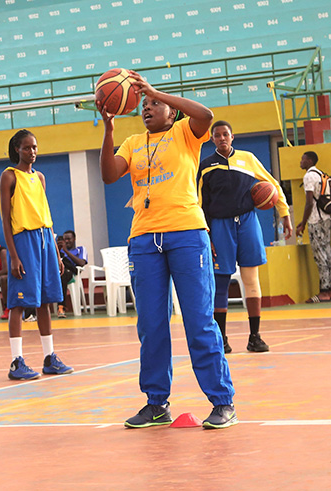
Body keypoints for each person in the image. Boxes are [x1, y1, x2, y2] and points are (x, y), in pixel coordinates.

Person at [99, 72, 236, 429]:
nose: (147, 108)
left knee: (199, 320)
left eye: (153, 104)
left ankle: (223, 402)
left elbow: (204, 114)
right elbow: (109, 174)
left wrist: (158, 91)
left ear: (171, 111)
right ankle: (156, 404)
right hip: (144, 239)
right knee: (152, 325)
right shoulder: (131, 141)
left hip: (187, 233)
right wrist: (109, 129)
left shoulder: (185, 134)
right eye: (143, 105)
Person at [198, 120, 291, 353]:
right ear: (212, 139)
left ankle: (255, 336)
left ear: (232, 137)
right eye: (217, 135)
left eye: (225, 134)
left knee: (251, 280)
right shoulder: (206, 166)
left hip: (248, 222)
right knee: (221, 282)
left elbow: (272, 184)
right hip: (219, 226)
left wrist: (284, 213)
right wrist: (204, 233)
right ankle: (222, 339)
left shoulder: (248, 159)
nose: (222, 138)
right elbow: (199, 203)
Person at [0, 129, 73, 380]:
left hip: (44, 240)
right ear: (17, 149)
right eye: (27, 147)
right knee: (19, 302)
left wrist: (57, 253)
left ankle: (50, 357)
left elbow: (46, 216)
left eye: (35, 147)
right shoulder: (9, 176)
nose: (32, 152)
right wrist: (14, 256)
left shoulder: (40, 177)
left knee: (45, 300)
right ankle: (16, 361)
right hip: (23, 240)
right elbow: (6, 220)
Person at [295, 151, 331, 303]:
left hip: (316, 221)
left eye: (303, 159)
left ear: (310, 161)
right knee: (329, 254)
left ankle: (324, 292)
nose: (301, 162)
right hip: (328, 218)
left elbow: (309, 203)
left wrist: (303, 223)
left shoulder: (309, 176)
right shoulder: (324, 175)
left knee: (320, 256)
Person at [56, 230, 87, 318]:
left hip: (72, 273)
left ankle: (61, 307)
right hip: (58, 273)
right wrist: (58, 250)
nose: (66, 241)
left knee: (64, 273)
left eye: (69, 239)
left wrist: (66, 251)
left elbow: (81, 263)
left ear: (74, 239)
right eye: (65, 239)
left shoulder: (80, 249)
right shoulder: (60, 251)